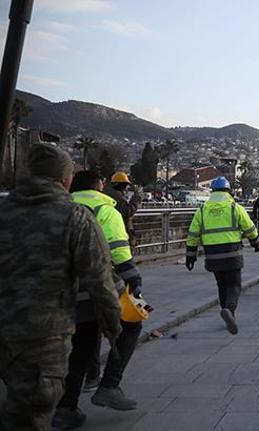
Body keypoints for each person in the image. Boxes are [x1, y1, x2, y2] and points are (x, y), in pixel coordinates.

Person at [0, 144, 121, 431]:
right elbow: (100, 282)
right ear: (65, 179)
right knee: (29, 416)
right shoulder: (74, 217)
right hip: (43, 336)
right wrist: (113, 327)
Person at [53, 171, 147, 426]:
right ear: (99, 185)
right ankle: (109, 385)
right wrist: (135, 283)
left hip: (64, 289)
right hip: (102, 284)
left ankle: (66, 407)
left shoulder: (60, 207)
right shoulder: (108, 210)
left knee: (82, 343)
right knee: (134, 321)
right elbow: (119, 253)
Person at [185, 176, 259, 334]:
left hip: (212, 255)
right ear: (228, 191)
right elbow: (250, 228)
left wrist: (190, 255)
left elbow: (192, 234)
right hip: (232, 253)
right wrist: (255, 242)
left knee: (222, 285)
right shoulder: (234, 207)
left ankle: (226, 311)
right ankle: (229, 310)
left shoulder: (202, 210)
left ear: (212, 191)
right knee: (234, 285)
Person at [102, 171, 143, 246]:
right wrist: (136, 199)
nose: (127, 188)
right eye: (126, 185)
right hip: (117, 233)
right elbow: (127, 211)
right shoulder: (116, 196)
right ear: (121, 185)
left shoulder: (108, 193)